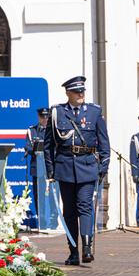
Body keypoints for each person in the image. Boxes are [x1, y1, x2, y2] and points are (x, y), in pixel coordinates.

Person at [44, 76, 110, 265]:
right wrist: (50, 170)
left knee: (85, 206)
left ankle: (87, 248)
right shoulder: (57, 113)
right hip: (64, 167)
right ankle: (73, 251)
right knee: (70, 212)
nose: (80, 94)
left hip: (87, 165)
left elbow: (104, 142)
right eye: (76, 92)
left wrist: (103, 167)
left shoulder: (94, 112)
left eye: (82, 91)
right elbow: (48, 145)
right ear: (68, 93)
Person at [24, 107, 49, 227]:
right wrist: (35, 149)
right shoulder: (32, 130)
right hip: (37, 168)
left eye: (46, 116)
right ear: (38, 117)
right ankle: (42, 221)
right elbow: (28, 147)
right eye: (42, 116)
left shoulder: (52, 131)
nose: (44, 119)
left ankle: (53, 222)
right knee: (38, 196)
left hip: (50, 169)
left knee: (51, 196)